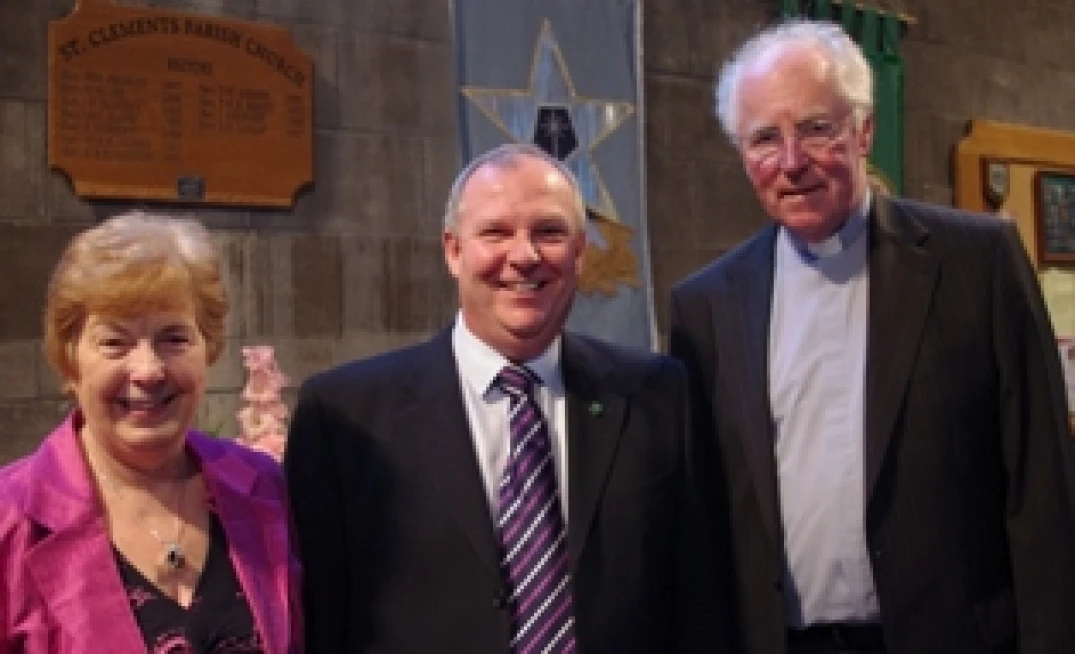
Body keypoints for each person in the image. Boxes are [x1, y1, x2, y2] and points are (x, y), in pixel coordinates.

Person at [669, 19, 1075, 654]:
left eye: (815, 128)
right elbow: (707, 519)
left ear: (864, 131)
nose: (792, 161)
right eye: (764, 140)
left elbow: (1043, 489)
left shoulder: (978, 264)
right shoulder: (705, 306)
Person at [286, 143, 725, 653]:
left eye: (549, 232)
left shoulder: (657, 395)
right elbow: (320, 620)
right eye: (495, 232)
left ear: (580, 253)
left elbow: (697, 600)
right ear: (453, 250)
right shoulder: (345, 415)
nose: (524, 255)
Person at [0, 212, 302, 653]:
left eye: (174, 339)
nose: (148, 369)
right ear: (69, 359)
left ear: (208, 349)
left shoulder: (263, 490)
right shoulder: (11, 521)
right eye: (114, 343)